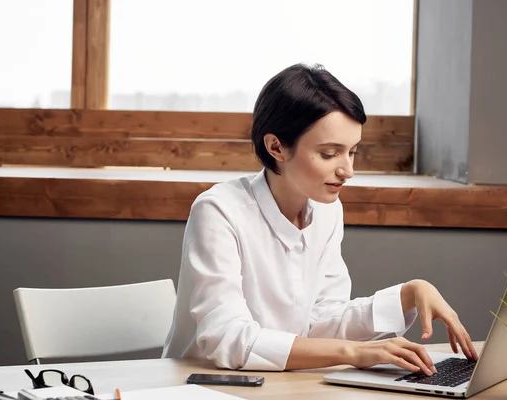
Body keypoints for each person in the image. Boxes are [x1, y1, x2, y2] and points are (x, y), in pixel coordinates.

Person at [162, 63, 478, 373]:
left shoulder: (326, 209)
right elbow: (227, 337)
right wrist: (355, 352)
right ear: (276, 147)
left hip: (281, 387)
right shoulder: (219, 211)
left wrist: (407, 294)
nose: (348, 171)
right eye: (329, 154)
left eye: (352, 151)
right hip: (205, 386)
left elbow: (321, 318)